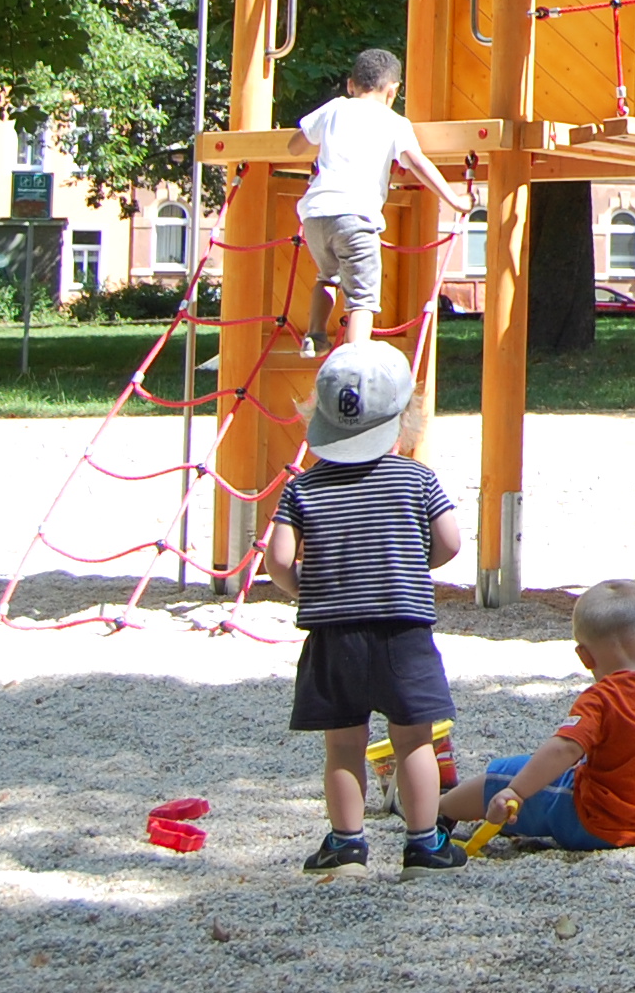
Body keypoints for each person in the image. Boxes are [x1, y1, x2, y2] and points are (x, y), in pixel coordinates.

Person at [265, 341, 470, 871]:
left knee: (343, 745)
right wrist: (406, 565)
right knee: (414, 742)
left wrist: (312, 588)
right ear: (406, 419)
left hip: (334, 637)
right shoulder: (416, 478)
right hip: (402, 630)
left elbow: (279, 562)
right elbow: (449, 542)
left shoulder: (302, 488)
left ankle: (346, 843)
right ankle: (424, 842)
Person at [446, 579, 635, 853]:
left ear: (585, 657)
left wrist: (516, 791)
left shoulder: (602, 698)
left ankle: (438, 809)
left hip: (599, 825)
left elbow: (565, 748)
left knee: (508, 773)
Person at [297, 47, 469, 349]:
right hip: (355, 217)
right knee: (362, 298)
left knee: (327, 276)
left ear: (351, 85)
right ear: (394, 90)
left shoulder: (335, 107)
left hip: (315, 215)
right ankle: (356, 357)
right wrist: (455, 200)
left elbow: (295, 145)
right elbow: (416, 162)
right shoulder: (393, 122)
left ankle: (314, 335)